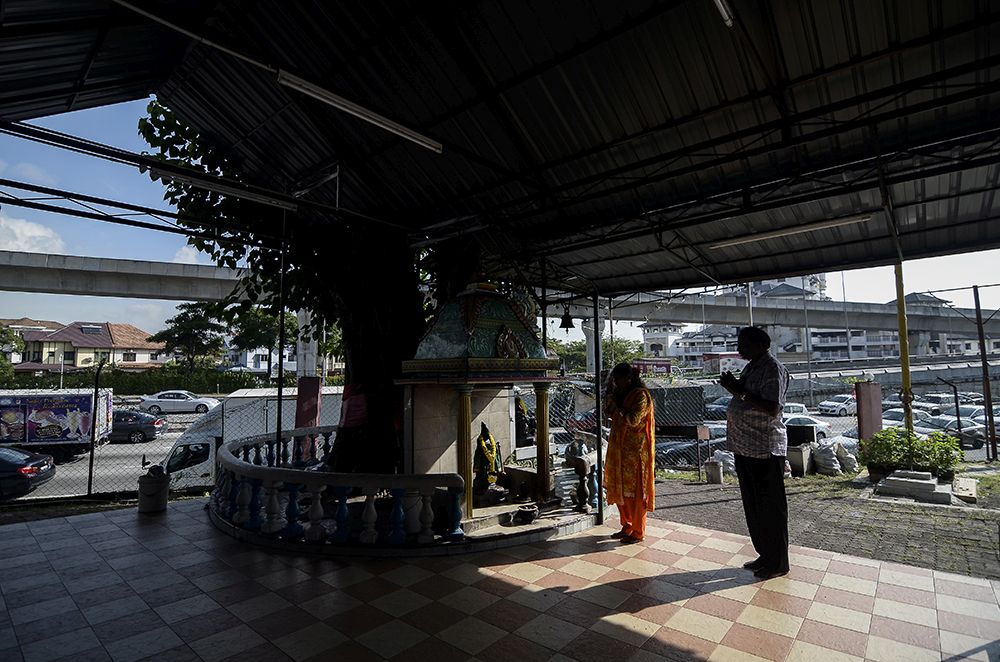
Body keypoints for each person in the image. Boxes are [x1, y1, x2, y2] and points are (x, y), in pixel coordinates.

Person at [720, 326, 791, 580]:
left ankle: (778, 561)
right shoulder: (753, 366)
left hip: (764, 449)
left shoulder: (772, 369)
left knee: (770, 506)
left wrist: (737, 390)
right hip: (745, 448)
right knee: (754, 506)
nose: (739, 348)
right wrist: (734, 386)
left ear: (760, 344)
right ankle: (765, 554)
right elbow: (747, 397)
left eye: (743, 343)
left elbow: (772, 407)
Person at [603, 362, 655, 544]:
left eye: (618, 379)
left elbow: (633, 420)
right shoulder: (621, 394)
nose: (616, 382)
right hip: (619, 451)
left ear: (629, 378)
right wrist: (610, 399)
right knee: (621, 491)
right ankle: (627, 525)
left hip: (636, 453)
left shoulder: (641, 396)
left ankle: (638, 531)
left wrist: (619, 406)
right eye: (614, 380)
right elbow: (609, 414)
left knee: (636, 493)